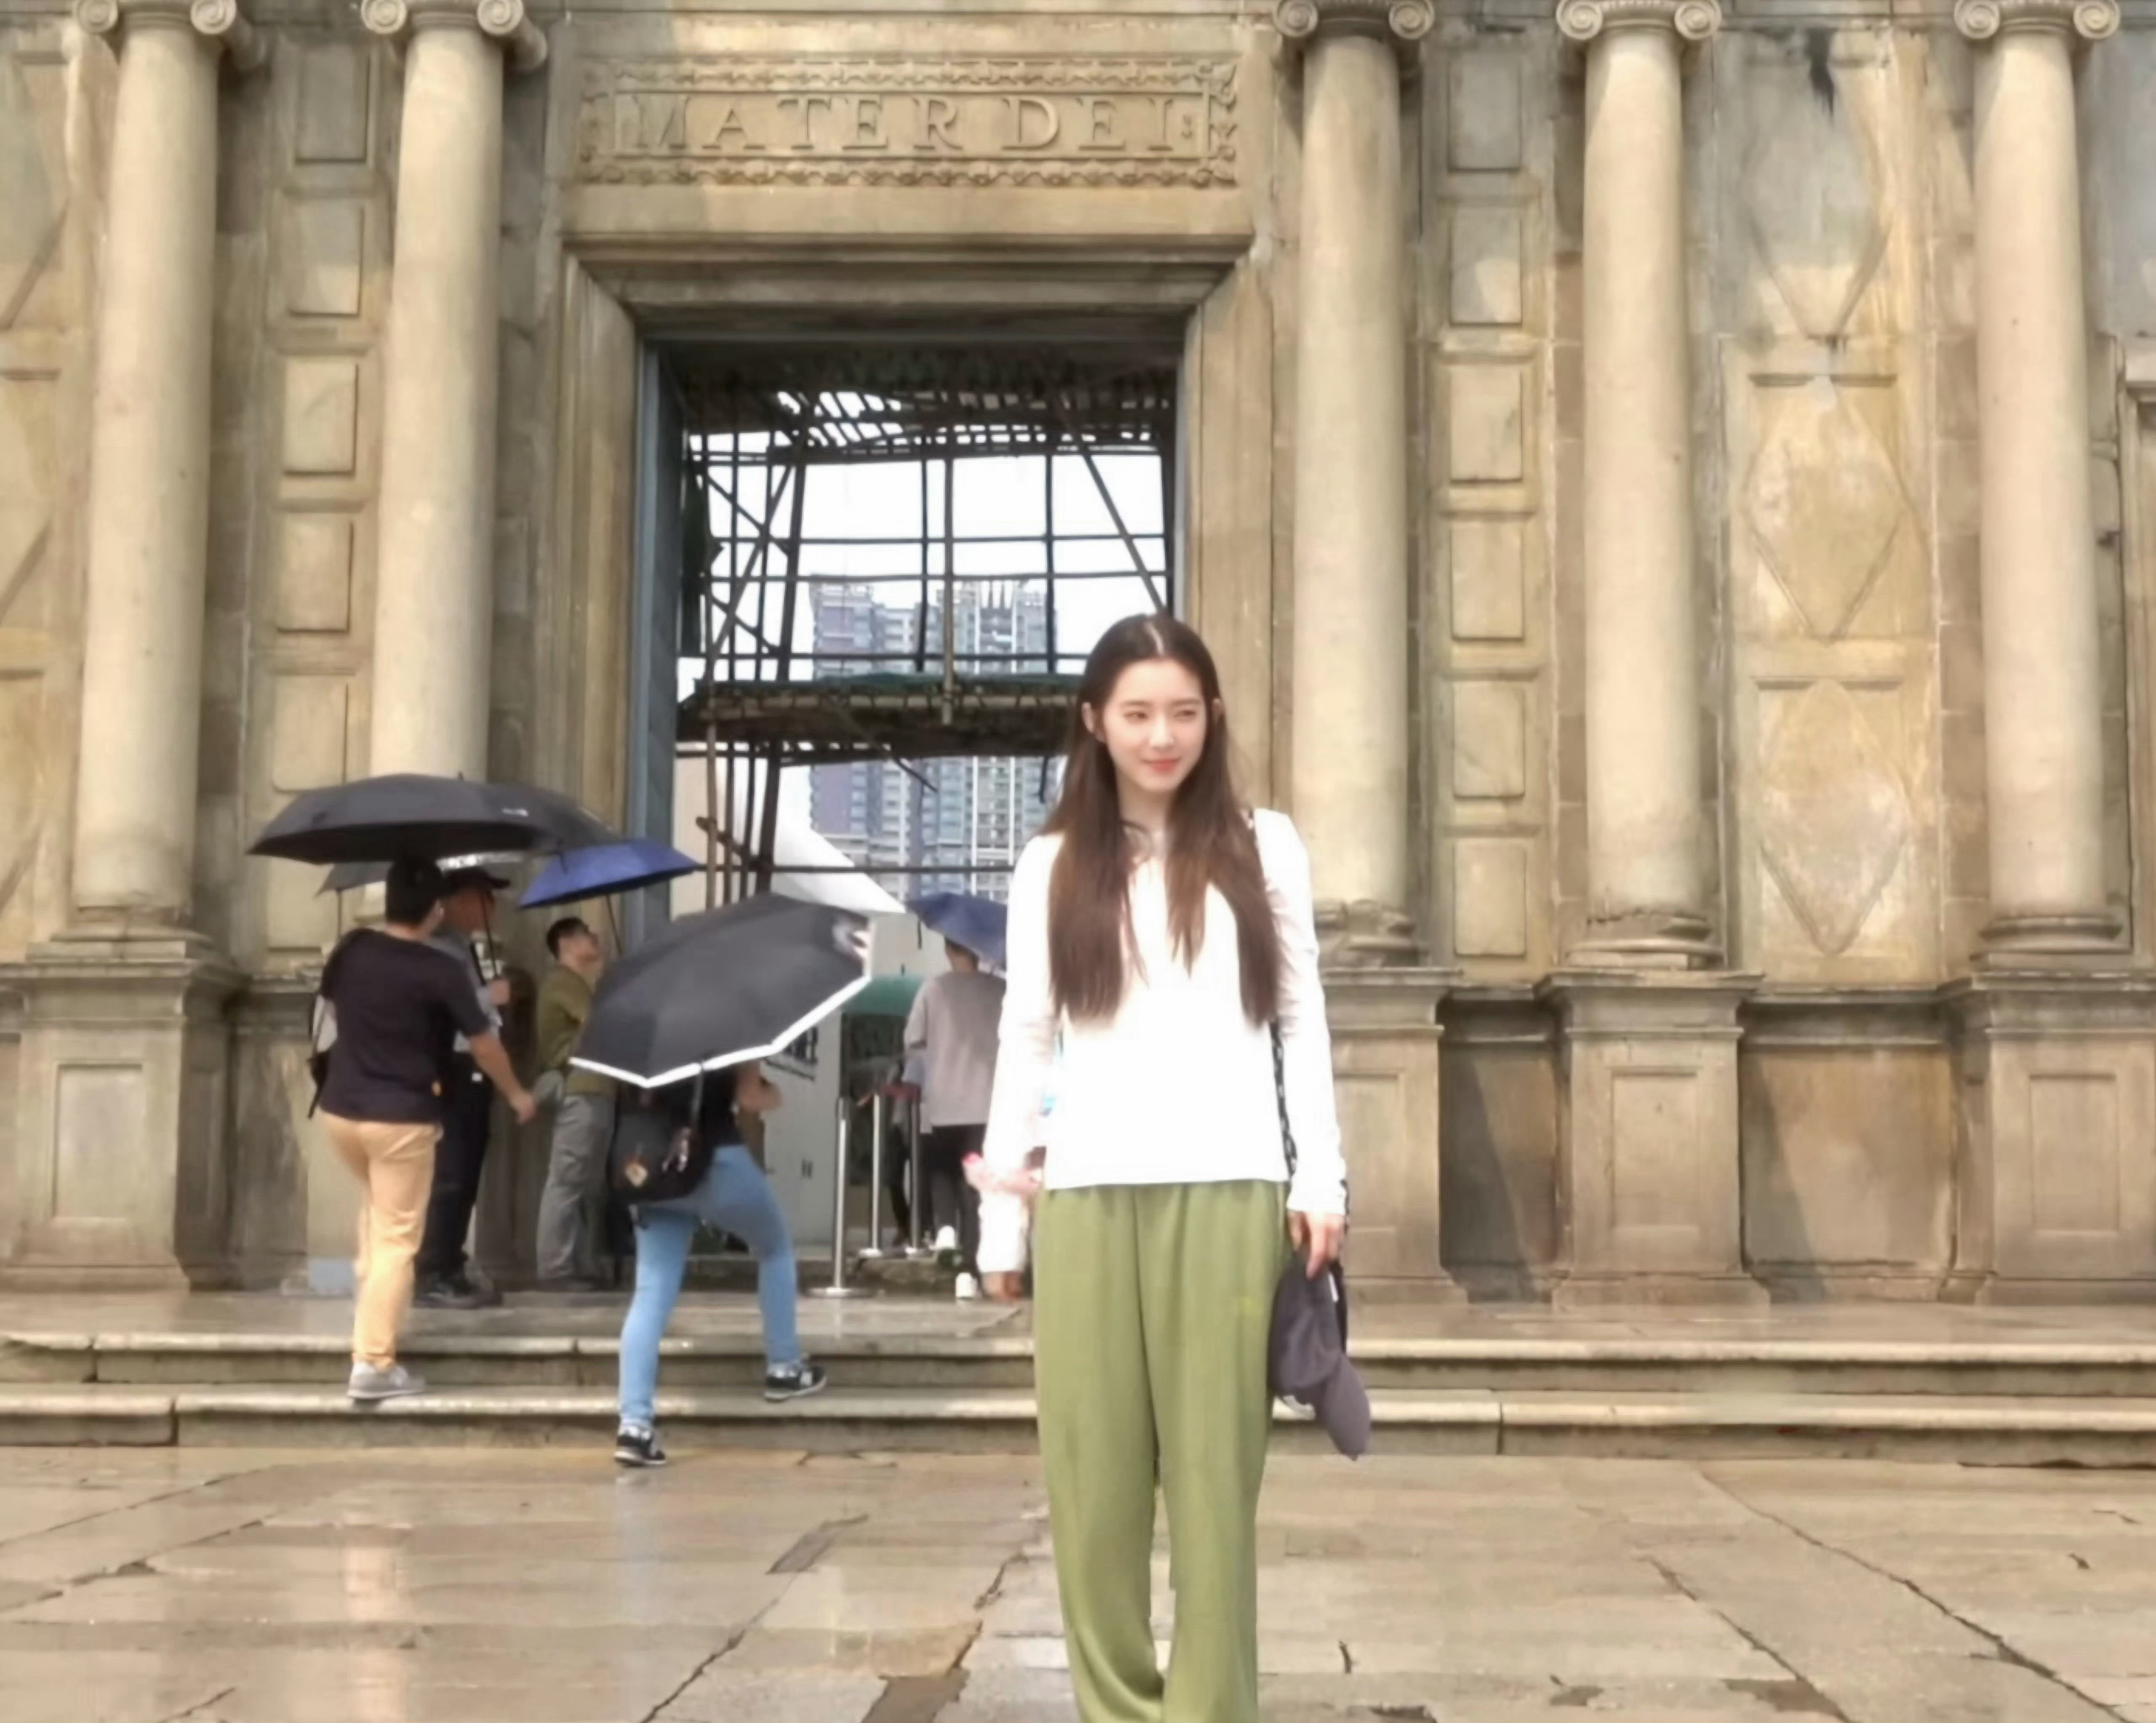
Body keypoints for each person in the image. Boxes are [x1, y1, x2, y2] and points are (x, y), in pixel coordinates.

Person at [977, 614, 1347, 1723]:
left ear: (1213, 718)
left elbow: (1301, 1019)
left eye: (1183, 712)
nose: (1161, 735)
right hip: (1087, 1196)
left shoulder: (1264, 845)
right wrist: (1001, 1222)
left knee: (1214, 1492)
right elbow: (1026, 1036)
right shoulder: (1050, 864)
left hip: (1231, 1188)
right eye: (1137, 713)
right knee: (1092, 1493)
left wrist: (1319, 1175)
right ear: (1094, 722)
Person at [316, 858, 539, 1402]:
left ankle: (372, 1313)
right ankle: (373, 1362)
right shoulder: (439, 969)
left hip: (341, 1111)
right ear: (436, 910)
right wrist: (516, 1093)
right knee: (398, 1239)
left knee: (377, 1219)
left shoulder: (351, 949)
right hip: (400, 1117)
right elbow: (484, 1044)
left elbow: (329, 1013)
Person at [614, 1062, 828, 1467]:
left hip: (652, 1166)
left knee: (651, 1292)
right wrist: (775, 1094)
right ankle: (784, 1367)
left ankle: (634, 1426)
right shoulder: (726, 1033)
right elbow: (750, 1099)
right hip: (714, 1158)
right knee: (775, 1248)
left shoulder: (642, 1037)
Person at [414, 866, 515, 1309]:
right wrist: (488, 998)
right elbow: (442, 1008)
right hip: (453, 1067)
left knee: (467, 1169)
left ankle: (451, 1262)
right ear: (458, 902)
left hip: (472, 1068)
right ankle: (433, 1269)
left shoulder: (463, 949)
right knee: (452, 1172)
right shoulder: (439, 950)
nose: (491, 908)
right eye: (483, 897)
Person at [903, 939, 1005, 1299]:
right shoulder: (1000, 991)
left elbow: (913, 1041)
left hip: (943, 1103)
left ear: (948, 950)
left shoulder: (932, 990)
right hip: (986, 1105)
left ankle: (945, 1228)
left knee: (942, 1170)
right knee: (976, 1191)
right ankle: (968, 1275)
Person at [534, 915, 614, 1290]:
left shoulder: (579, 985)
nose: (594, 938)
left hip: (596, 1088)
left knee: (585, 1183)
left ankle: (580, 1264)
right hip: (580, 1088)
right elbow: (598, 1022)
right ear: (565, 944)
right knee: (567, 1180)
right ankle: (556, 1268)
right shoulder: (564, 982)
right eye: (585, 934)